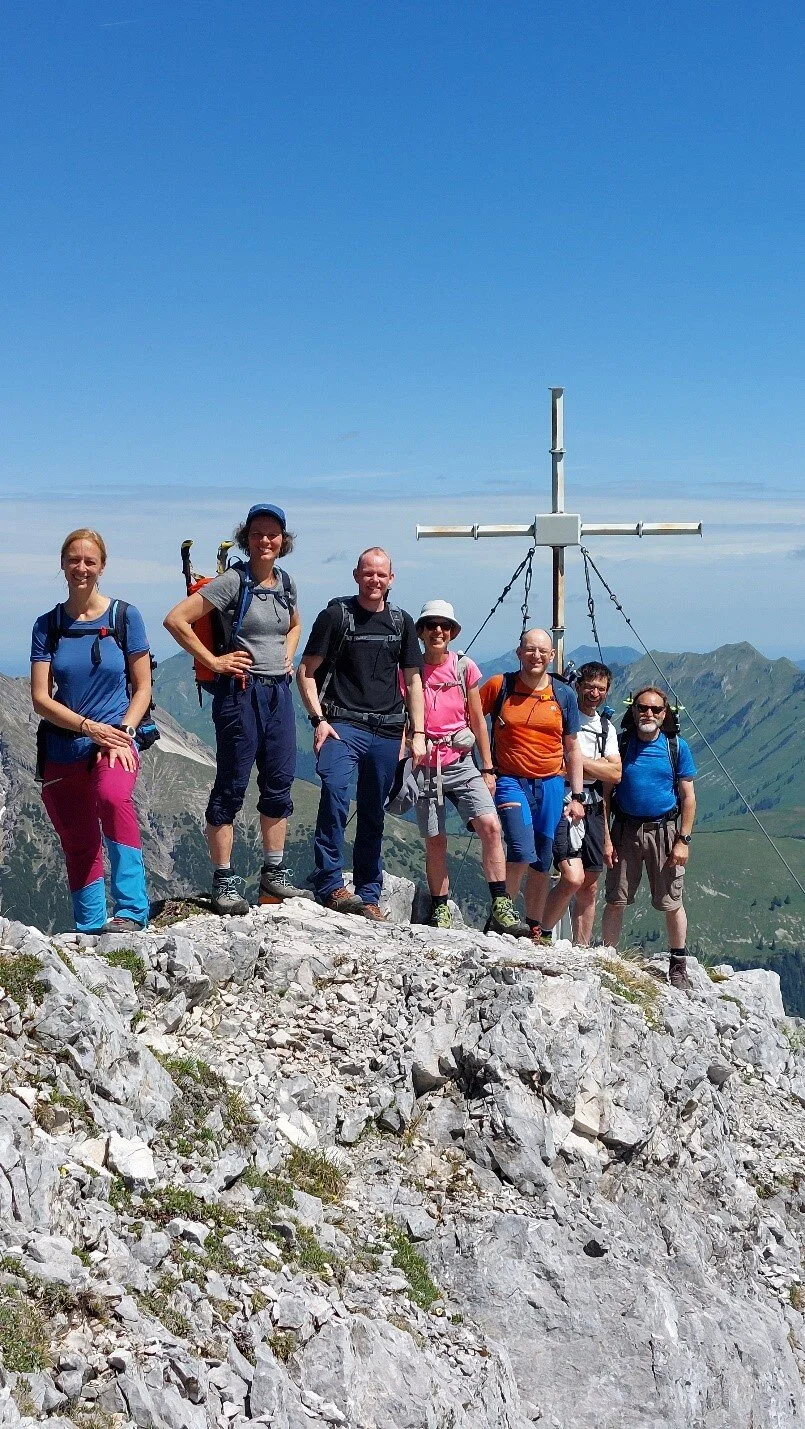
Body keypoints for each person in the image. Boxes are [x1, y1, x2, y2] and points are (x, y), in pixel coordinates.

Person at [164, 503, 308, 915]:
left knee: (279, 782)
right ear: (247, 538)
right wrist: (214, 662)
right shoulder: (232, 581)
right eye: (259, 533)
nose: (266, 540)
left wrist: (289, 655)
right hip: (240, 693)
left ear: (284, 541)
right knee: (231, 786)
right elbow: (176, 620)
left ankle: (273, 874)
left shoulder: (286, 583)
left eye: (273, 534)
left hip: (278, 692)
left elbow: (295, 624)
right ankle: (223, 879)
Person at [30, 528, 152, 934]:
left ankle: (133, 911)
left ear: (102, 566)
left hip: (116, 739)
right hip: (64, 745)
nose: (81, 568)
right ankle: (90, 927)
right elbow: (40, 698)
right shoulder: (47, 625)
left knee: (113, 799)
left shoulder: (124, 616)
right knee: (79, 839)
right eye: (73, 560)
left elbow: (143, 686)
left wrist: (122, 732)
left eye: (89, 561)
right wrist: (88, 727)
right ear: (62, 564)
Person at [296, 548, 425, 920]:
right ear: (356, 575)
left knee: (373, 811)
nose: (375, 580)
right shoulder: (337, 616)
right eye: (368, 574)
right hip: (342, 725)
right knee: (335, 793)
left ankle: (369, 894)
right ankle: (330, 883)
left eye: (381, 575)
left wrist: (417, 732)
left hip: (387, 730)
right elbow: (306, 671)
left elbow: (413, 680)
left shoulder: (402, 622)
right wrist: (318, 720)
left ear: (392, 578)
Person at [408, 600, 531, 936]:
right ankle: (440, 908)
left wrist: (488, 768)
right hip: (425, 763)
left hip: (462, 762)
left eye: (444, 626)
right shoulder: (411, 670)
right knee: (436, 839)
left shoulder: (464, 668)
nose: (438, 632)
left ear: (452, 632)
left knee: (491, 826)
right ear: (420, 632)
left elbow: (478, 719)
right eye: (431, 625)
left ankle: (501, 905)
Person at [480, 628, 585, 945]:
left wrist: (577, 795)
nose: (536, 656)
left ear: (552, 656)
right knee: (522, 851)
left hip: (552, 784)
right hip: (510, 780)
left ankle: (533, 928)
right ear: (518, 652)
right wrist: (483, 766)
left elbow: (572, 747)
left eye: (543, 651)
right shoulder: (500, 686)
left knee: (541, 860)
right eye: (530, 649)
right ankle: (501, 920)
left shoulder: (563, 694)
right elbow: (471, 718)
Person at [601, 686, 697, 990]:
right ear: (633, 710)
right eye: (643, 708)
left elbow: (688, 797)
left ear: (665, 714)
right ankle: (609, 958)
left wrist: (684, 839)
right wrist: (606, 836)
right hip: (625, 830)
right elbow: (604, 796)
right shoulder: (620, 744)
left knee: (671, 901)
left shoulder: (676, 747)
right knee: (616, 897)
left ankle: (678, 964)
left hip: (665, 832)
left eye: (656, 709)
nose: (649, 714)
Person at [559, 662, 622, 946]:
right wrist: (596, 766)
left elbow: (616, 773)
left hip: (594, 806)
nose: (594, 693)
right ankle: (542, 933)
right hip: (561, 802)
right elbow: (556, 766)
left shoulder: (606, 727)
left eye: (600, 688)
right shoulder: (563, 718)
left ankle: (581, 947)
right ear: (578, 686)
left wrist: (575, 762)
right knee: (568, 876)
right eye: (589, 686)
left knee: (591, 883)